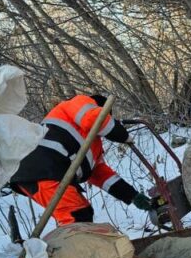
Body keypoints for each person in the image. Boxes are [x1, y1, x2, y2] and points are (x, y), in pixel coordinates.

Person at [11, 94, 156, 224]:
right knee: (76, 218)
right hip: (41, 168)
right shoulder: (79, 102)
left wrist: (133, 196)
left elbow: (100, 174)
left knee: (82, 215)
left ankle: (78, 251)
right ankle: (73, 252)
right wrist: (123, 136)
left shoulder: (91, 143)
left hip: (51, 173)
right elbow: (94, 118)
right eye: (107, 117)